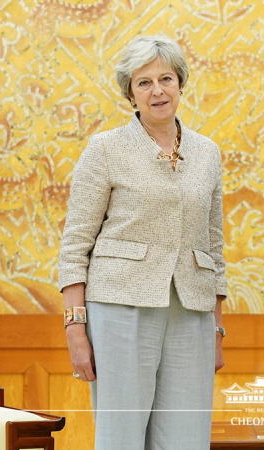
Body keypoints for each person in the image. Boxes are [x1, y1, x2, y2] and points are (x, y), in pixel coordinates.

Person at [58, 35, 228, 450]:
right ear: (130, 94)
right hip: (119, 309)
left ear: (180, 85)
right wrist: (76, 331)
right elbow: (75, 244)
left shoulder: (207, 153)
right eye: (144, 82)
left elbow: (215, 244)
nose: (158, 91)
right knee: (122, 439)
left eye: (166, 78)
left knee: (187, 440)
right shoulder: (105, 149)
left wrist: (218, 328)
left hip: (192, 312)